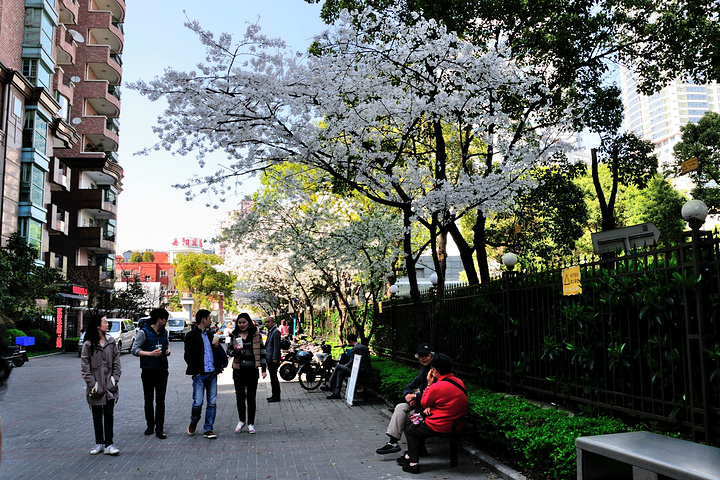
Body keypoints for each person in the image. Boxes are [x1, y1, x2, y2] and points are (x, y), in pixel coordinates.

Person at [397, 354, 468, 475]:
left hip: (442, 424)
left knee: (412, 430)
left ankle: (413, 463)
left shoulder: (437, 386)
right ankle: (409, 455)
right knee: (415, 424)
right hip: (458, 422)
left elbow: (424, 402)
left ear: (434, 371)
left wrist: (429, 384)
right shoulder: (459, 382)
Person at [376, 343, 434, 454]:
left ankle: (416, 449)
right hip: (421, 403)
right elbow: (410, 386)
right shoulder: (423, 370)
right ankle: (393, 442)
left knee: (409, 417)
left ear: (432, 355)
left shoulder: (435, 371)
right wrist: (408, 396)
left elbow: (434, 395)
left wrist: (416, 397)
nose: (424, 358)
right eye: (421, 356)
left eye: (426, 355)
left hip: (428, 406)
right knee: (400, 407)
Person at [80, 315, 122, 455]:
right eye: (105, 322)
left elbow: (117, 362)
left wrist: (114, 379)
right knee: (97, 415)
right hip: (96, 385)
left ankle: (110, 444)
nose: (107, 324)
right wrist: (93, 384)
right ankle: (99, 443)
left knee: (109, 414)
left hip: (109, 384)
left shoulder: (111, 341)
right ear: (98, 326)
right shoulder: (88, 344)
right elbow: (84, 367)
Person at [184, 309, 225, 439]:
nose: (210, 321)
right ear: (203, 320)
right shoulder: (191, 336)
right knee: (198, 402)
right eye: (209, 319)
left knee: (212, 402)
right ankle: (194, 421)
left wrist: (217, 347)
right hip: (199, 374)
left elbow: (214, 352)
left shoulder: (210, 335)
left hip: (212, 373)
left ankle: (208, 428)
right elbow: (188, 355)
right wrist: (195, 371)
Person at [131, 307, 171, 439]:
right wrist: (150, 354)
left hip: (162, 370)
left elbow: (167, 344)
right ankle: (150, 425)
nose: (166, 322)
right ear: (159, 319)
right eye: (165, 319)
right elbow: (135, 350)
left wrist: (167, 350)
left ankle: (160, 428)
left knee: (161, 401)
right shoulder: (144, 332)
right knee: (148, 399)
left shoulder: (164, 332)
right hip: (148, 371)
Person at [228, 313, 267, 434]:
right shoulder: (234, 335)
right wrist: (236, 350)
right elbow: (228, 351)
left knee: (251, 397)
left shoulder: (256, 335)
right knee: (240, 397)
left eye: (244, 322)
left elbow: (262, 352)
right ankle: (241, 420)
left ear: (249, 322)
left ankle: (250, 423)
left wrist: (264, 369)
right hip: (238, 371)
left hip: (252, 371)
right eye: (239, 323)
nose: (242, 325)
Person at [323, 333, 372, 400]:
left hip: (359, 372)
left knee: (338, 366)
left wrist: (344, 366)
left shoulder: (355, 349)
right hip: (366, 371)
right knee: (340, 372)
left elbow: (350, 363)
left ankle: (330, 385)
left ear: (351, 341)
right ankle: (336, 393)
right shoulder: (364, 347)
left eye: (349, 342)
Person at [264, 316, 282, 402]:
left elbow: (276, 346)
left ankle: (276, 396)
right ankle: (274, 394)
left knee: (274, 378)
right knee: (272, 378)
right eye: (266, 322)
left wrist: (275, 358)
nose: (266, 324)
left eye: (268, 322)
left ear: (273, 322)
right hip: (269, 358)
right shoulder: (270, 332)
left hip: (273, 359)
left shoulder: (276, 332)